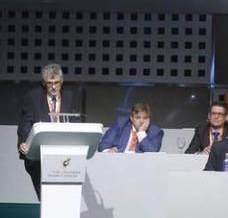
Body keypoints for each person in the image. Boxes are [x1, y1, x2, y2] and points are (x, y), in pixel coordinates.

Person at [17, 63, 82, 197]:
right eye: (49, 83)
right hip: (39, 152)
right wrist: (23, 142)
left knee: (63, 192)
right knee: (47, 193)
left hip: (64, 150)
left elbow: (76, 121)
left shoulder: (70, 96)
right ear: (43, 82)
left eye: (56, 83)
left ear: (62, 81)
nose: (53, 86)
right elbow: (25, 124)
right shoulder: (32, 97)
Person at [98, 103, 164, 153]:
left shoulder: (156, 132)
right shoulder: (121, 124)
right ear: (131, 118)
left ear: (149, 119)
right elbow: (103, 145)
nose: (141, 121)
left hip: (141, 166)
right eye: (138, 117)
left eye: (145, 118)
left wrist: (141, 133)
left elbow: (153, 154)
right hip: (118, 163)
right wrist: (108, 151)